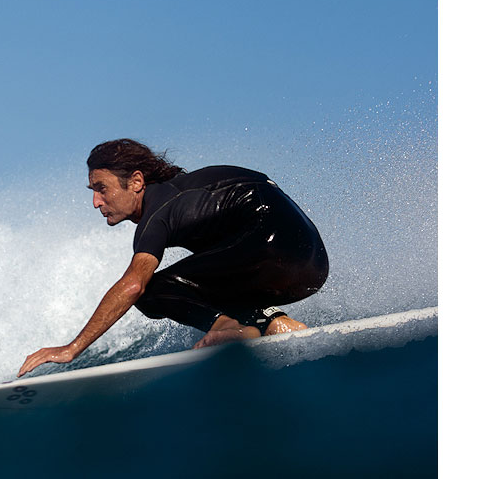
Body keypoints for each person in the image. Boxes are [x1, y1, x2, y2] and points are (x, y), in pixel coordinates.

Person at [18, 138, 328, 377]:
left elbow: (133, 287)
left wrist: (71, 349)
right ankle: (275, 323)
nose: (96, 201)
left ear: (137, 182)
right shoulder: (187, 199)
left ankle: (226, 327)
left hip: (269, 249)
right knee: (203, 281)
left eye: (101, 189)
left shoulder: (159, 211)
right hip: (310, 264)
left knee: (152, 290)